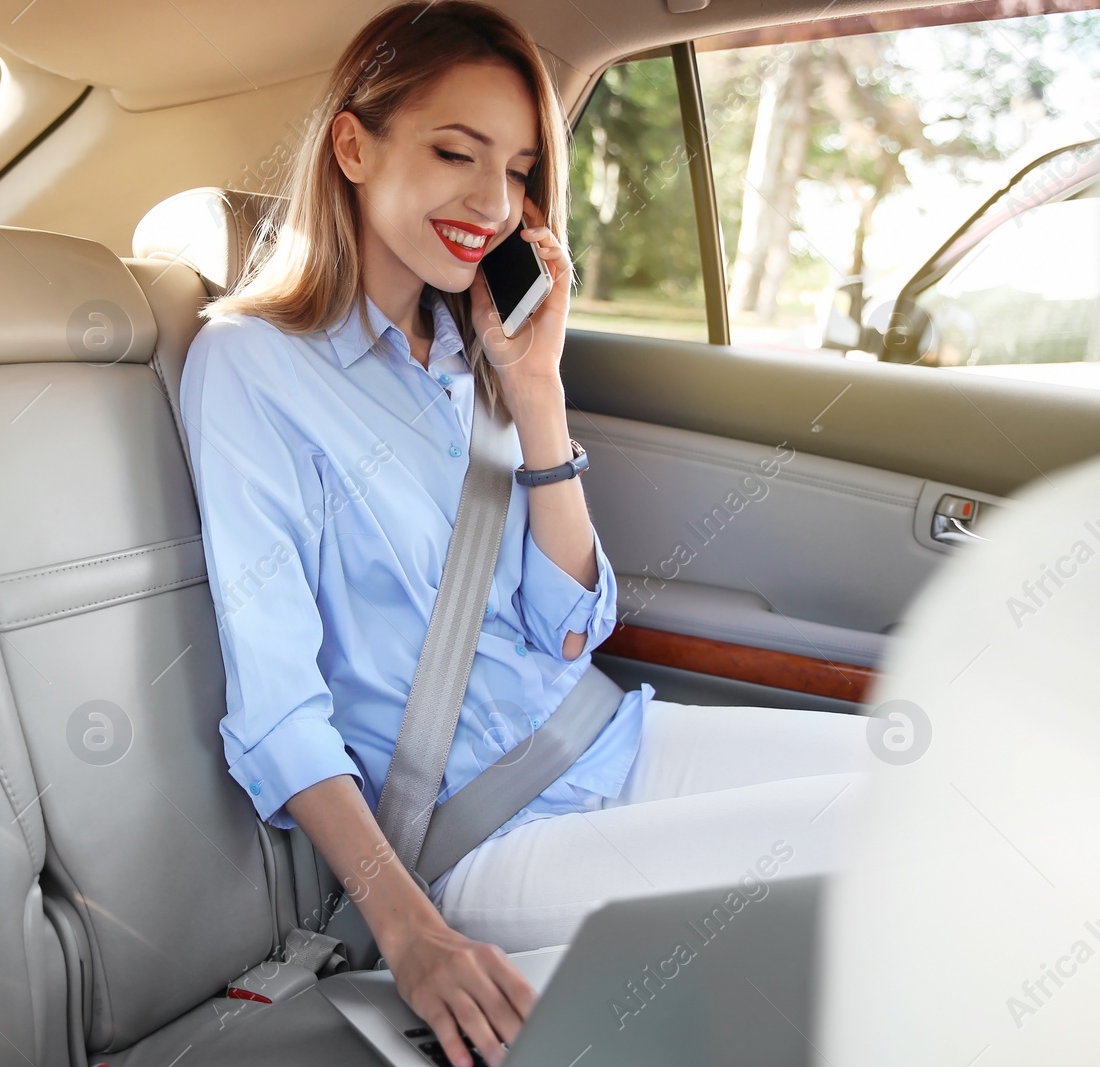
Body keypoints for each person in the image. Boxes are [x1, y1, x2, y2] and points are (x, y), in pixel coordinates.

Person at [177, 4, 877, 1065]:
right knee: (911, 848)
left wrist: (536, 392)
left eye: (516, 169)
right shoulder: (249, 368)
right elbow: (276, 707)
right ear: (353, 144)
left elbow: (565, 633)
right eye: (455, 153)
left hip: (614, 736)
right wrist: (412, 932)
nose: (492, 203)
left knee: (967, 776)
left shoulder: (469, 355)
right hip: (486, 836)